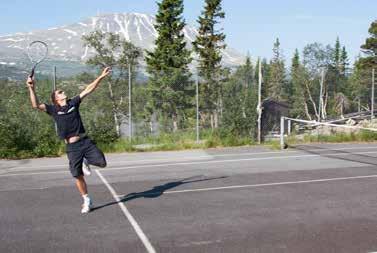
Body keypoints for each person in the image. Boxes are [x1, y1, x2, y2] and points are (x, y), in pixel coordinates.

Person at [26, 67, 112, 214]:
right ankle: (86, 200)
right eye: (59, 92)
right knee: (77, 175)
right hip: (72, 148)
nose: (62, 92)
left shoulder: (73, 103)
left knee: (102, 163)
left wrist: (101, 77)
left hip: (85, 142)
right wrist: (31, 88)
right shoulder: (53, 110)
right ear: (56, 99)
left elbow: (89, 89)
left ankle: (86, 160)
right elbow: (35, 105)